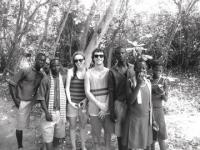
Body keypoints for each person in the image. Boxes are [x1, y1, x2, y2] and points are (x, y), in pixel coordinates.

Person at [8, 53, 46, 150]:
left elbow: (46, 84)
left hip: (33, 99)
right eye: (40, 60)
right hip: (23, 101)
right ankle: (20, 146)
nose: (42, 62)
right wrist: (16, 100)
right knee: (20, 125)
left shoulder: (41, 74)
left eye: (44, 61)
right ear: (35, 59)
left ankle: (46, 137)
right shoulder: (25, 70)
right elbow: (11, 83)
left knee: (47, 97)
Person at [85, 48, 113, 150]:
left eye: (101, 55)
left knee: (108, 135)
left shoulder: (109, 72)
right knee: (96, 135)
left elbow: (111, 90)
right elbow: (87, 92)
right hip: (94, 107)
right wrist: (100, 105)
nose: (98, 57)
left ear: (104, 57)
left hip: (107, 107)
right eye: (96, 56)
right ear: (93, 58)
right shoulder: (88, 73)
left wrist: (105, 106)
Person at [122, 60, 153, 150]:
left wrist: (153, 120)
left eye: (143, 68)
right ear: (135, 69)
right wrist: (138, 85)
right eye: (139, 68)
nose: (141, 70)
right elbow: (130, 101)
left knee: (146, 145)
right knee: (132, 145)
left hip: (145, 119)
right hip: (133, 120)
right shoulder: (130, 82)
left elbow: (150, 103)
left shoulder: (148, 83)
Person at [108, 46, 135, 150]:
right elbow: (111, 92)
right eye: (118, 53)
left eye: (123, 53)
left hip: (132, 104)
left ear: (126, 54)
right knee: (120, 133)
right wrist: (111, 110)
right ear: (116, 56)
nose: (121, 55)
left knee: (131, 131)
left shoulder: (133, 68)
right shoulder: (112, 71)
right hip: (119, 104)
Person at [37, 58, 67, 150]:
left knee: (58, 137)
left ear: (60, 66)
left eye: (57, 65)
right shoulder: (46, 80)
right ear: (50, 67)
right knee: (48, 138)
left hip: (60, 112)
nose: (56, 67)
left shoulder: (63, 79)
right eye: (53, 65)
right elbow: (41, 97)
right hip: (49, 112)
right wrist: (46, 112)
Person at [66, 51, 87, 150]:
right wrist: (70, 102)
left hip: (83, 104)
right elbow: (67, 88)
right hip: (72, 104)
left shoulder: (88, 71)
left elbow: (90, 90)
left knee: (83, 126)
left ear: (84, 60)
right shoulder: (70, 71)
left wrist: (85, 100)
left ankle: (83, 146)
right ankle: (74, 147)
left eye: (80, 60)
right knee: (72, 127)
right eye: (76, 60)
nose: (78, 62)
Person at [151, 61, 168, 150]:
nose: (158, 72)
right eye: (156, 70)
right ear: (152, 70)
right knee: (152, 137)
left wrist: (161, 92)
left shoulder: (163, 81)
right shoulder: (148, 80)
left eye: (160, 71)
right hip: (150, 110)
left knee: (161, 136)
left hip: (159, 110)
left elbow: (166, 99)